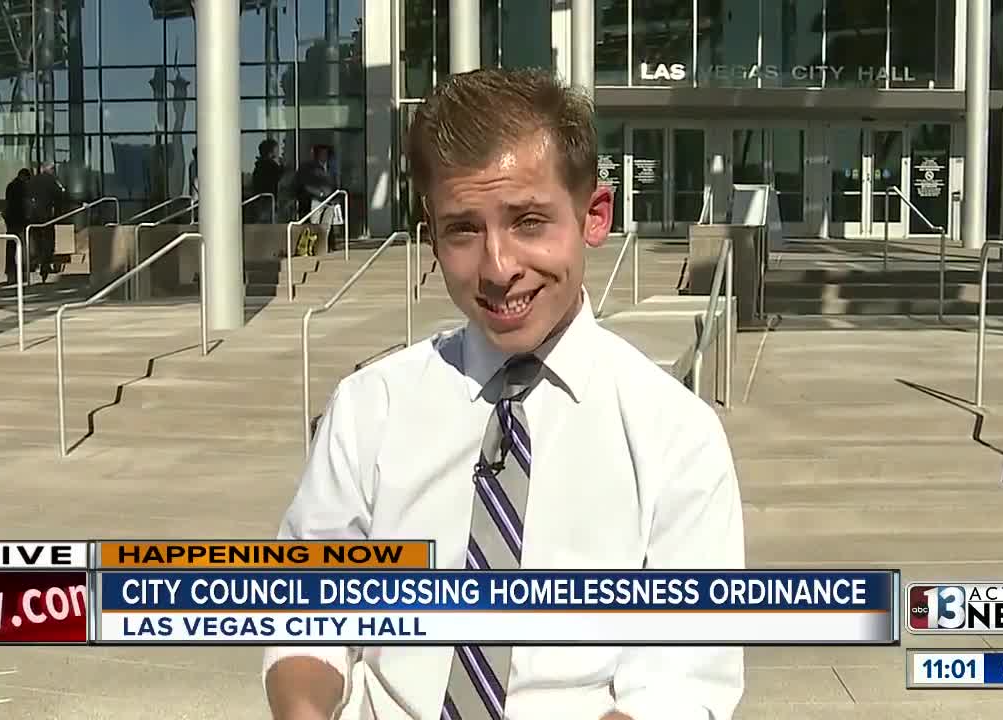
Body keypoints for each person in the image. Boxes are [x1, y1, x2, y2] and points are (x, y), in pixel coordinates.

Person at [263, 68, 745, 720]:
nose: (497, 266)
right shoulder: (368, 409)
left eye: (528, 222)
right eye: (464, 229)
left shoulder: (675, 437)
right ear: (431, 234)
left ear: (593, 216)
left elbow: (678, 682)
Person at [25, 161, 68, 282]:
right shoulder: (51, 181)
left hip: (33, 217)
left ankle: (36, 262)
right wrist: (59, 214)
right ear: (49, 170)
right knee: (48, 240)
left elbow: (27, 197)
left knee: (37, 240)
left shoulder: (33, 181)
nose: (54, 171)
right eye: (53, 169)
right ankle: (45, 265)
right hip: (46, 216)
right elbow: (59, 197)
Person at [3, 168, 31, 282]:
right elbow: (25, 204)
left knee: (11, 246)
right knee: (22, 247)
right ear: (24, 177)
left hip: (10, 219)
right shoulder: (24, 188)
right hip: (20, 220)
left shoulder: (10, 186)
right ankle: (22, 273)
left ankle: (10, 273)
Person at [251, 139, 284, 223]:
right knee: (268, 222)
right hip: (267, 200)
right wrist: (282, 165)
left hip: (262, 200)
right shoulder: (269, 165)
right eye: (276, 149)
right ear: (271, 151)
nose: (278, 152)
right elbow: (280, 176)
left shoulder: (259, 165)